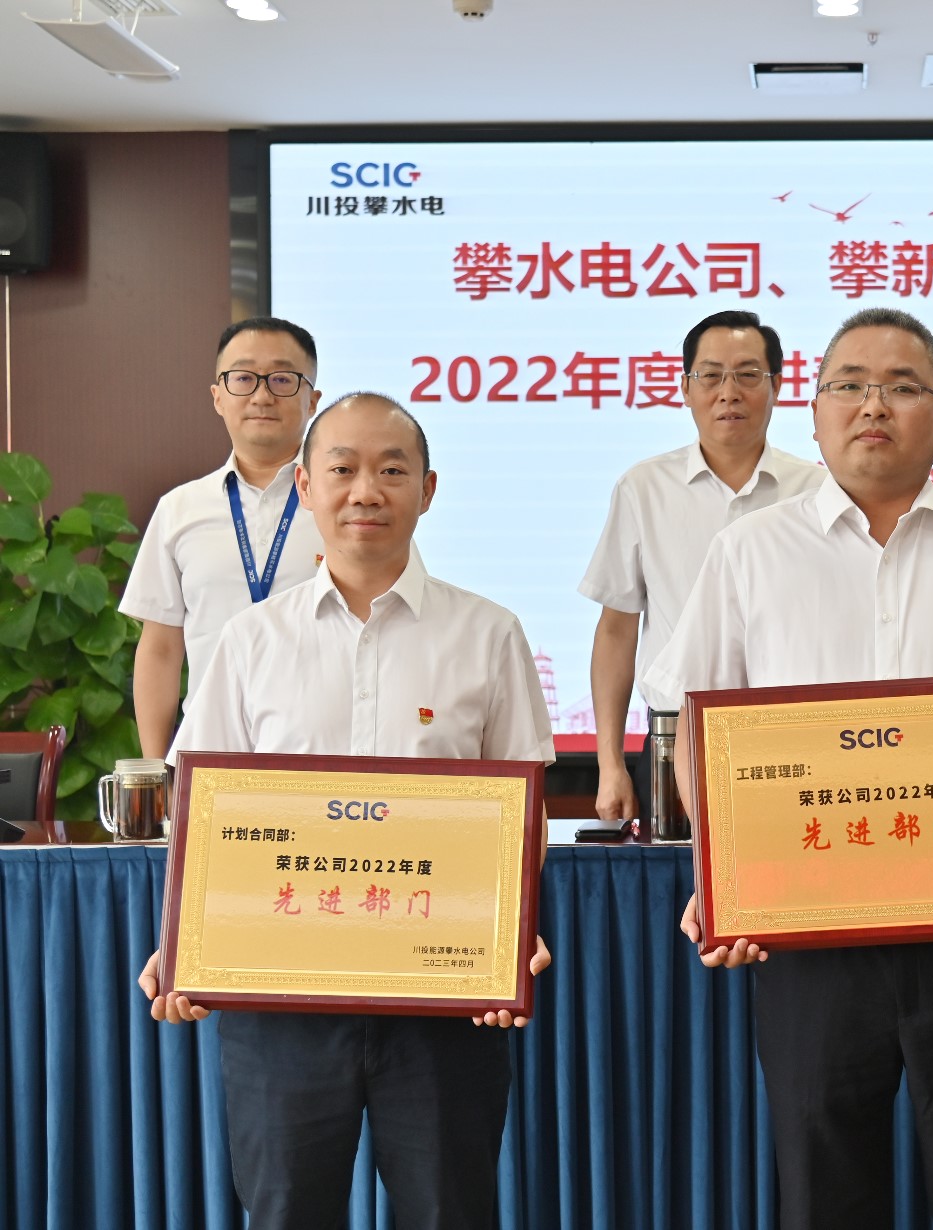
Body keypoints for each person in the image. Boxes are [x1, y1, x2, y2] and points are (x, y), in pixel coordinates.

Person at [645, 307, 933, 1229]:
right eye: (848, 385)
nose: (873, 405)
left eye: (901, 386)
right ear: (813, 413)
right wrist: (722, 870)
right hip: (809, 934)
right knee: (823, 1185)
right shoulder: (749, 550)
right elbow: (698, 724)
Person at [138, 393, 555, 1230]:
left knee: (449, 1211)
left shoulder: (489, 634)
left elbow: (524, 814)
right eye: (343, 469)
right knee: (286, 1211)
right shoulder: (251, 641)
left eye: (392, 470)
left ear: (427, 491)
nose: (367, 490)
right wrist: (184, 941)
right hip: (282, 1001)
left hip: (443, 999)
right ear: (305, 486)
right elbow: (203, 812)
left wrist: (507, 930)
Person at [579, 310, 822, 824]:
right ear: (685, 389)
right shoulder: (644, 488)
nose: (728, 393)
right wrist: (609, 762)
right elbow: (617, 631)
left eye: (748, 375)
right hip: (674, 740)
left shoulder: (818, 492)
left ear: (777, 387)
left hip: (793, 738)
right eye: (710, 376)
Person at [120, 317, 327, 756]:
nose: (262, 396)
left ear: (313, 401)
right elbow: (160, 649)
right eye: (244, 378)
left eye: (283, 379)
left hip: (319, 754)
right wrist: (158, 766)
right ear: (218, 397)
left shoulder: (347, 509)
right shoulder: (180, 510)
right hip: (209, 754)